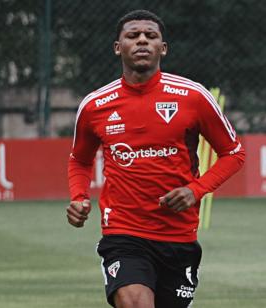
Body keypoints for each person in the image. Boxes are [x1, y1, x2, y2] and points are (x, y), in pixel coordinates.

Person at [66, 9, 245, 308]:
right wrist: (79, 196)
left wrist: (195, 190)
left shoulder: (193, 96)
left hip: (179, 234)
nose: (142, 41)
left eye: (151, 36)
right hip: (123, 233)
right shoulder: (95, 105)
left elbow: (234, 153)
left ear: (163, 48)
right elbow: (80, 160)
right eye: (132, 35)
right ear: (117, 47)